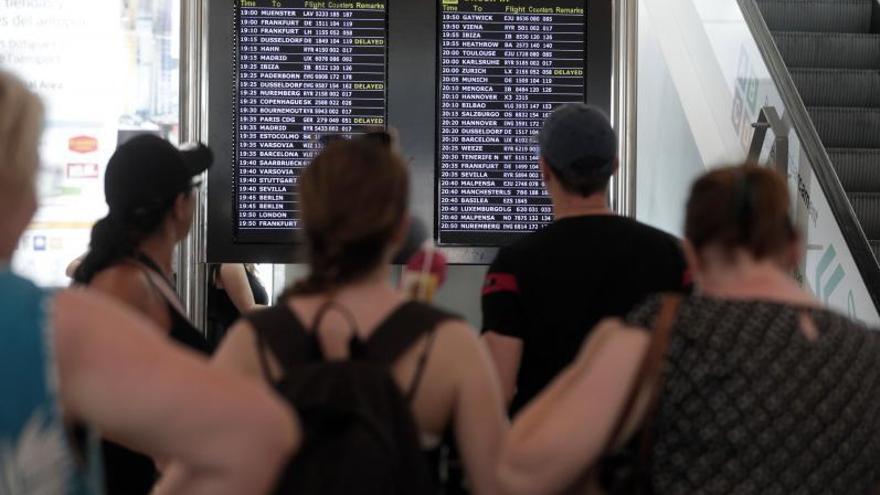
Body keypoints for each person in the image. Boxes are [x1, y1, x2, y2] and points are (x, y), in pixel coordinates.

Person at [0, 69, 299, 495]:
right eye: (31, 173)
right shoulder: (51, 323)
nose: (34, 201)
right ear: (179, 206)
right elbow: (264, 431)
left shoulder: (127, 286)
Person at [496, 164, 880, 495]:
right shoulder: (868, 352)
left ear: (692, 254)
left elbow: (517, 472)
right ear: (795, 249)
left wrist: (602, 347)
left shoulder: (665, 336)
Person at [214, 136, 507, 494]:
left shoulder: (252, 344)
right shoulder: (448, 344)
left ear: (307, 221)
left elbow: (203, 474)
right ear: (400, 228)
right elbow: (497, 482)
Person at [481, 103, 689, 415]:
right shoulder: (673, 256)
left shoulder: (513, 265)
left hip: (548, 453)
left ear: (544, 169)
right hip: (646, 457)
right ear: (615, 166)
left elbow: (498, 388)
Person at [71, 134, 213, 493]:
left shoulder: (143, 276)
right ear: (180, 205)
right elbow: (98, 407)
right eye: (193, 189)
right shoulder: (125, 283)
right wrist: (170, 457)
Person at [207, 263, 268, 351]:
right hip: (223, 341)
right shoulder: (231, 264)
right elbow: (249, 308)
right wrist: (286, 310)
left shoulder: (241, 265)